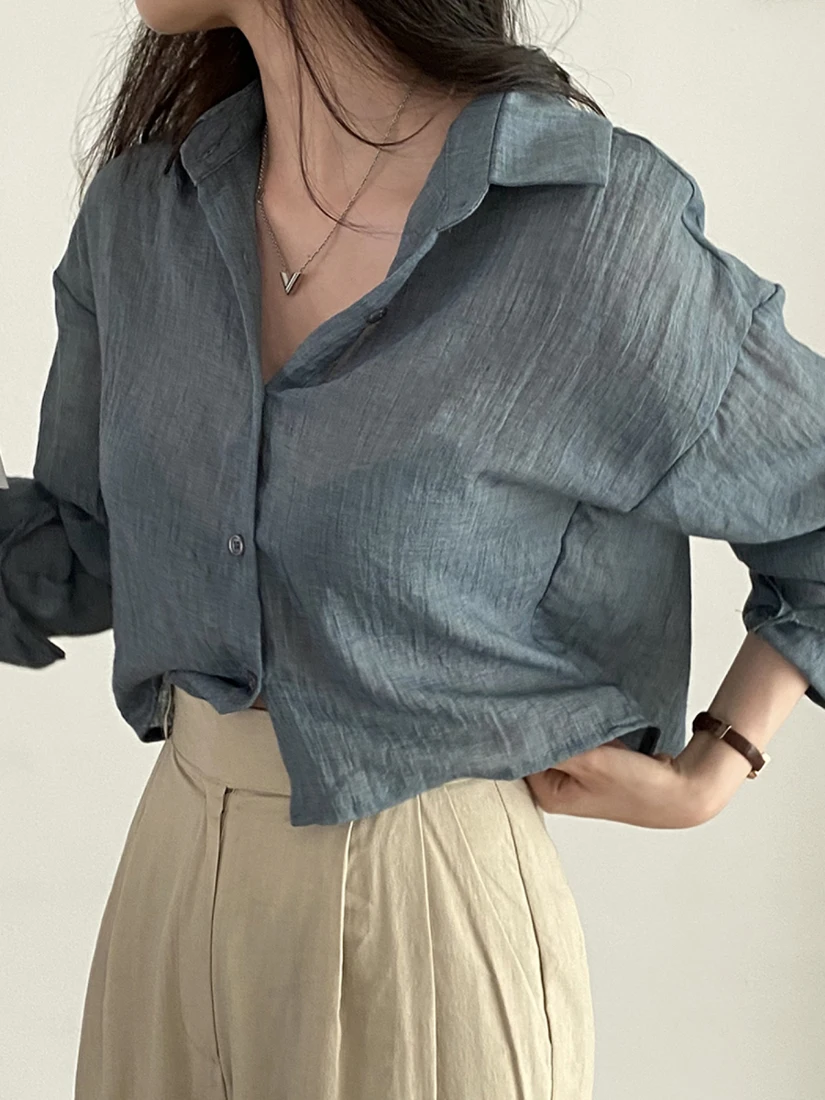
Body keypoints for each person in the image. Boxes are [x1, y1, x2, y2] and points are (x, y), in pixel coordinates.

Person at [3, 0, 824, 1097]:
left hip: (426, 920)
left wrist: (719, 761)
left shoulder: (581, 227)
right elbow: (83, 549)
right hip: (167, 893)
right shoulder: (142, 218)